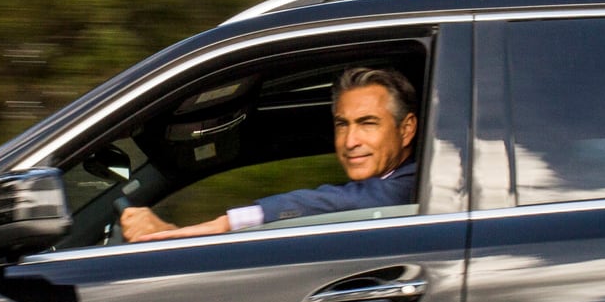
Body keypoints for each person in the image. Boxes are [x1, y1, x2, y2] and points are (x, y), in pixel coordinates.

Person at [119, 65, 420, 242]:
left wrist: (214, 227)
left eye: (368, 123)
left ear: (406, 130)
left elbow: (345, 201)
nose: (350, 140)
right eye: (342, 125)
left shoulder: (412, 185)